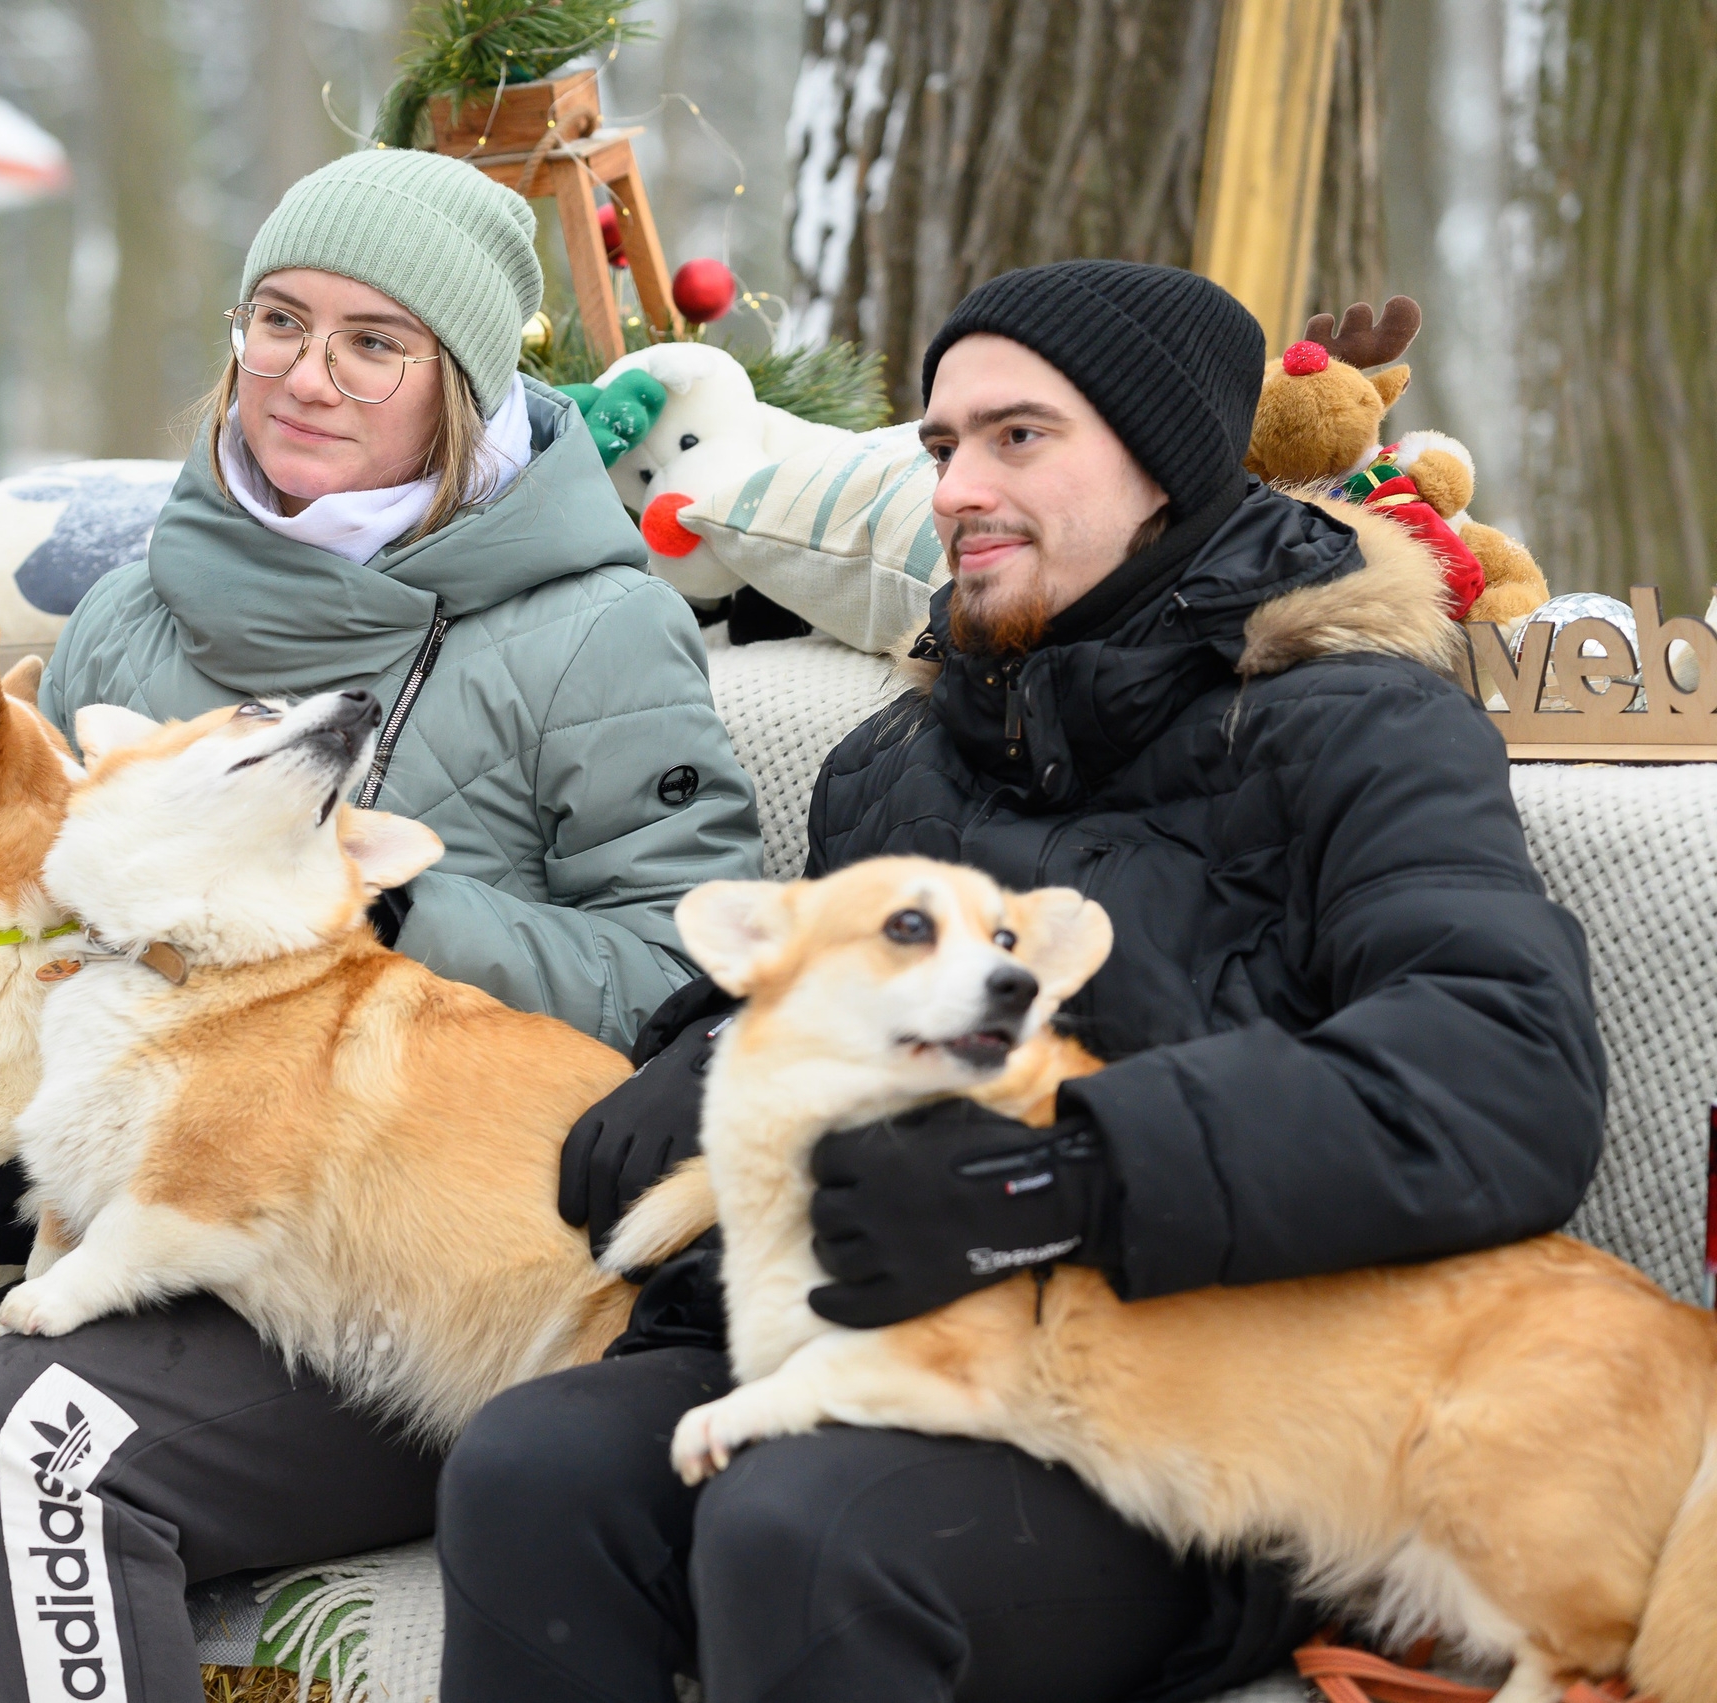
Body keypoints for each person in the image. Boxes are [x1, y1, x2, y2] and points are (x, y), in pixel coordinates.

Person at [437, 260, 1607, 1703]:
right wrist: (707, 1054)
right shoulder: (898, 764)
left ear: (1167, 465)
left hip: (1182, 1427)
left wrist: (1056, 1178)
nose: (953, 488)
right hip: (889, 1344)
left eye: (1018, 436)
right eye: (940, 446)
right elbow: (827, 1012)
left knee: (798, 1529)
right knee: (533, 1468)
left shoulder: (1361, 730)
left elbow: (1501, 1077)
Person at [0, 146, 762, 1703]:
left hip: (416, 1268)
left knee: (37, 1439)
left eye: (376, 342)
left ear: (465, 384)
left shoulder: (591, 630)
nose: (308, 375)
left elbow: (687, 982)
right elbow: (35, 942)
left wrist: (393, 903)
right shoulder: (130, 617)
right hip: (144, 1207)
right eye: (278, 321)